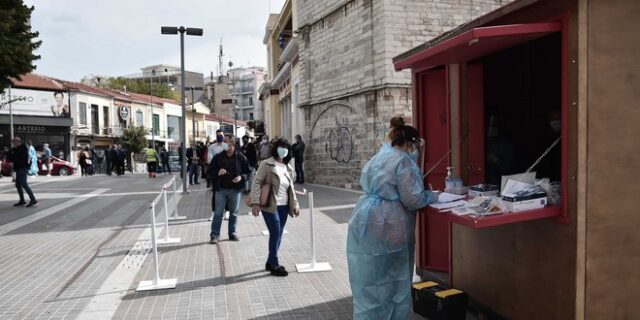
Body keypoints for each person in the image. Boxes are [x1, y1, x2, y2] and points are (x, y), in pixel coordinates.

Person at [347, 117, 438, 319]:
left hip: (366, 218)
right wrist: (432, 196)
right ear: (410, 143)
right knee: (394, 278)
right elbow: (412, 199)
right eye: (415, 145)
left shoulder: (381, 155)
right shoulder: (403, 161)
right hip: (391, 222)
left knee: (371, 277)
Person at [250, 138, 300, 277]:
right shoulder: (266, 164)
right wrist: (255, 202)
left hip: (284, 206)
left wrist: (295, 204)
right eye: (281, 147)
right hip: (270, 205)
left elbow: (292, 189)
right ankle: (274, 264)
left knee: (278, 233)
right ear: (276, 148)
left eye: (286, 148)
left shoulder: (288, 167)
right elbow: (256, 182)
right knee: (276, 232)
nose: (283, 150)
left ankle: (270, 261)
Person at [208, 134, 251, 244]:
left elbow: (248, 173)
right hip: (221, 189)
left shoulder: (241, 157)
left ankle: (232, 233)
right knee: (218, 212)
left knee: (234, 212)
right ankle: (214, 235)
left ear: (232, 144)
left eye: (225, 141)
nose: (223, 143)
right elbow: (209, 172)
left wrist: (241, 177)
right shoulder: (218, 157)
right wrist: (218, 172)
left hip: (235, 190)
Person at [8, 137, 38, 207]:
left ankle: (33, 200)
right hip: (19, 168)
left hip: (22, 168)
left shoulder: (23, 148)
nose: (13, 145)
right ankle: (22, 200)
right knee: (18, 185)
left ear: (18, 142)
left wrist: (12, 154)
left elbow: (15, 157)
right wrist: (11, 153)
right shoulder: (16, 149)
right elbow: (10, 156)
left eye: (14, 143)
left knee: (24, 184)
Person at [207, 130, 227, 220]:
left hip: (226, 173)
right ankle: (214, 212)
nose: (220, 137)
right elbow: (209, 160)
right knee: (215, 193)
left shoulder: (226, 146)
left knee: (227, 192)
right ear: (216, 136)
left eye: (221, 135)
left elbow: (229, 158)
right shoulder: (211, 147)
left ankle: (227, 211)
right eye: (218, 135)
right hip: (216, 173)